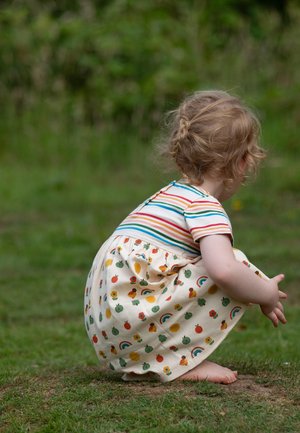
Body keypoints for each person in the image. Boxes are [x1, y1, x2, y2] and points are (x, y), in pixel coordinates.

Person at [83, 90, 287, 384]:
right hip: (131, 318)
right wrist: (265, 292)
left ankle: (153, 357)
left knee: (220, 267)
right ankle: (179, 363)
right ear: (241, 163)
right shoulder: (204, 205)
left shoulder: (171, 194)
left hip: (109, 327)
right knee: (236, 264)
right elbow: (224, 270)